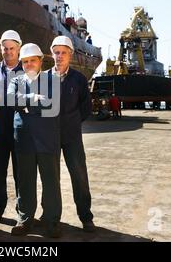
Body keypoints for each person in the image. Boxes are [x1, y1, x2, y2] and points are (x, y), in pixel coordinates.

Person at [8, 43, 62, 238]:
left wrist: (26, 105)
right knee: (25, 181)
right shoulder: (16, 81)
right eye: (25, 61)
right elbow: (11, 99)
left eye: (32, 60)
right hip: (24, 140)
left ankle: (52, 220)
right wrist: (35, 98)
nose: (29, 64)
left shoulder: (53, 79)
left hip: (47, 140)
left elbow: (52, 104)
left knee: (51, 182)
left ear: (40, 61)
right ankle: (25, 219)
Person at [48, 36, 96, 233]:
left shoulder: (79, 79)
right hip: (49, 136)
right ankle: (53, 218)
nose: (59, 56)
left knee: (79, 176)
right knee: (51, 179)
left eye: (63, 53)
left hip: (72, 136)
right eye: (56, 52)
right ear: (52, 54)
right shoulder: (43, 78)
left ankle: (86, 217)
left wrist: (72, 123)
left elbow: (86, 108)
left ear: (70, 55)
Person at [0, 30, 23, 224]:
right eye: (5, 48)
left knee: (21, 174)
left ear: (18, 49)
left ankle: (22, 212)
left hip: (19, 132)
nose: (8, 52)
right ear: (0, 49)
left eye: (12, 48)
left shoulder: (26, 71)